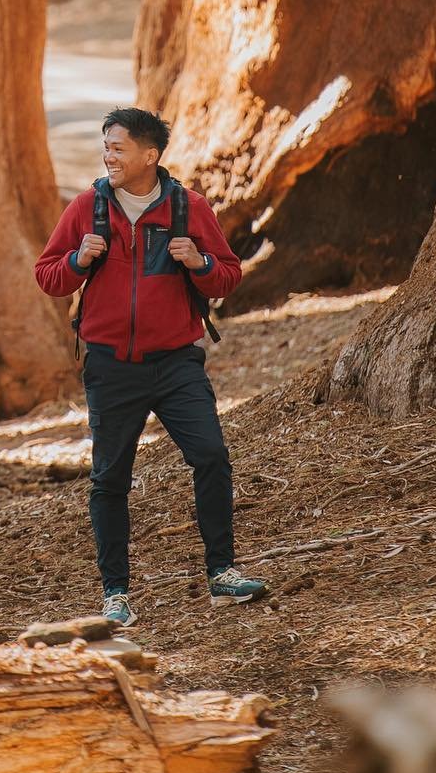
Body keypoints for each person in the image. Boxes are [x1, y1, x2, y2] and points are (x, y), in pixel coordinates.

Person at [34, 106, 266, 627]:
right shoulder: (88, 209)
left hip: (177, 363)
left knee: (210, 455)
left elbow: (228, 275)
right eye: (106, 147)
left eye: (118, 148)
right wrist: (78, 260)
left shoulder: (188, 208)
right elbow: (48, 276)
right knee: (110, 477)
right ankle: (115, 592)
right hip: (112, 366)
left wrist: (199, 262)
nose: (108, 156)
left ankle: (222, 574)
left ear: (150, 155)